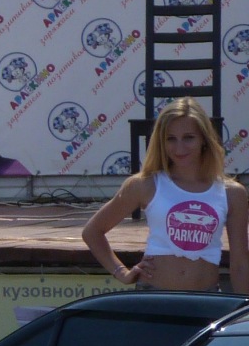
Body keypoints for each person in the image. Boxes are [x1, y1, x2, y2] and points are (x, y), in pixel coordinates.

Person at [83, 98, 248, 294]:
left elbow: (240, 264)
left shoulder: (232, 193)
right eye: (171, 139)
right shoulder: (144, 185)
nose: (179, 148)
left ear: (204, 139)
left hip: (207, 298)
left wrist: (244, 310)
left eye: (188, 138)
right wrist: (121, 272)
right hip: (152, 297)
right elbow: (92, 231)